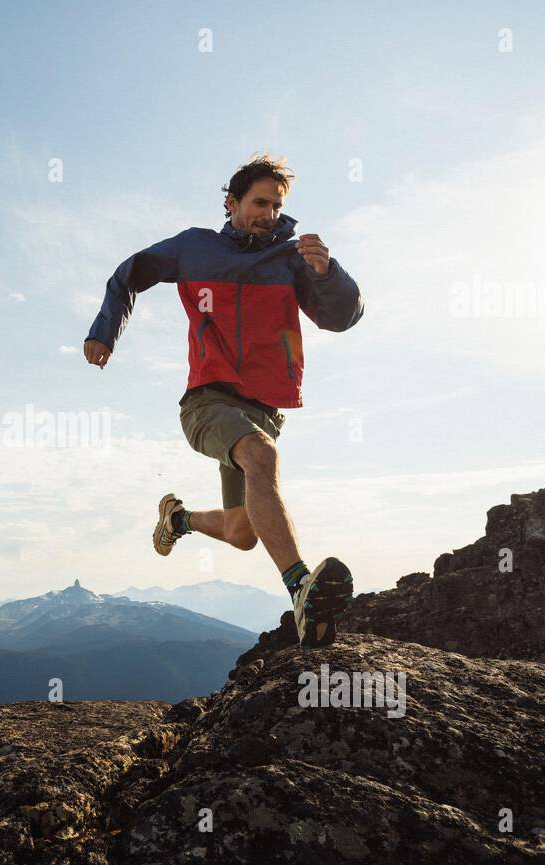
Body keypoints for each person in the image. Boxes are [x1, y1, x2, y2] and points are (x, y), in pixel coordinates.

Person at [82, 152, 363, 647]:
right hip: (207, 401)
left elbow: (340, 318)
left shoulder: (293, 259)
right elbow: (130, 272)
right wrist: (105, 331)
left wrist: (327, 272)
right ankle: (299, 588)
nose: (269, 215)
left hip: (263, 410)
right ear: (231, 202)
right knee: (262, 456)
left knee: (241, 532)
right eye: (259, 203)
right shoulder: (195, 248)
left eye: (276, 206)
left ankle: (178, 519)